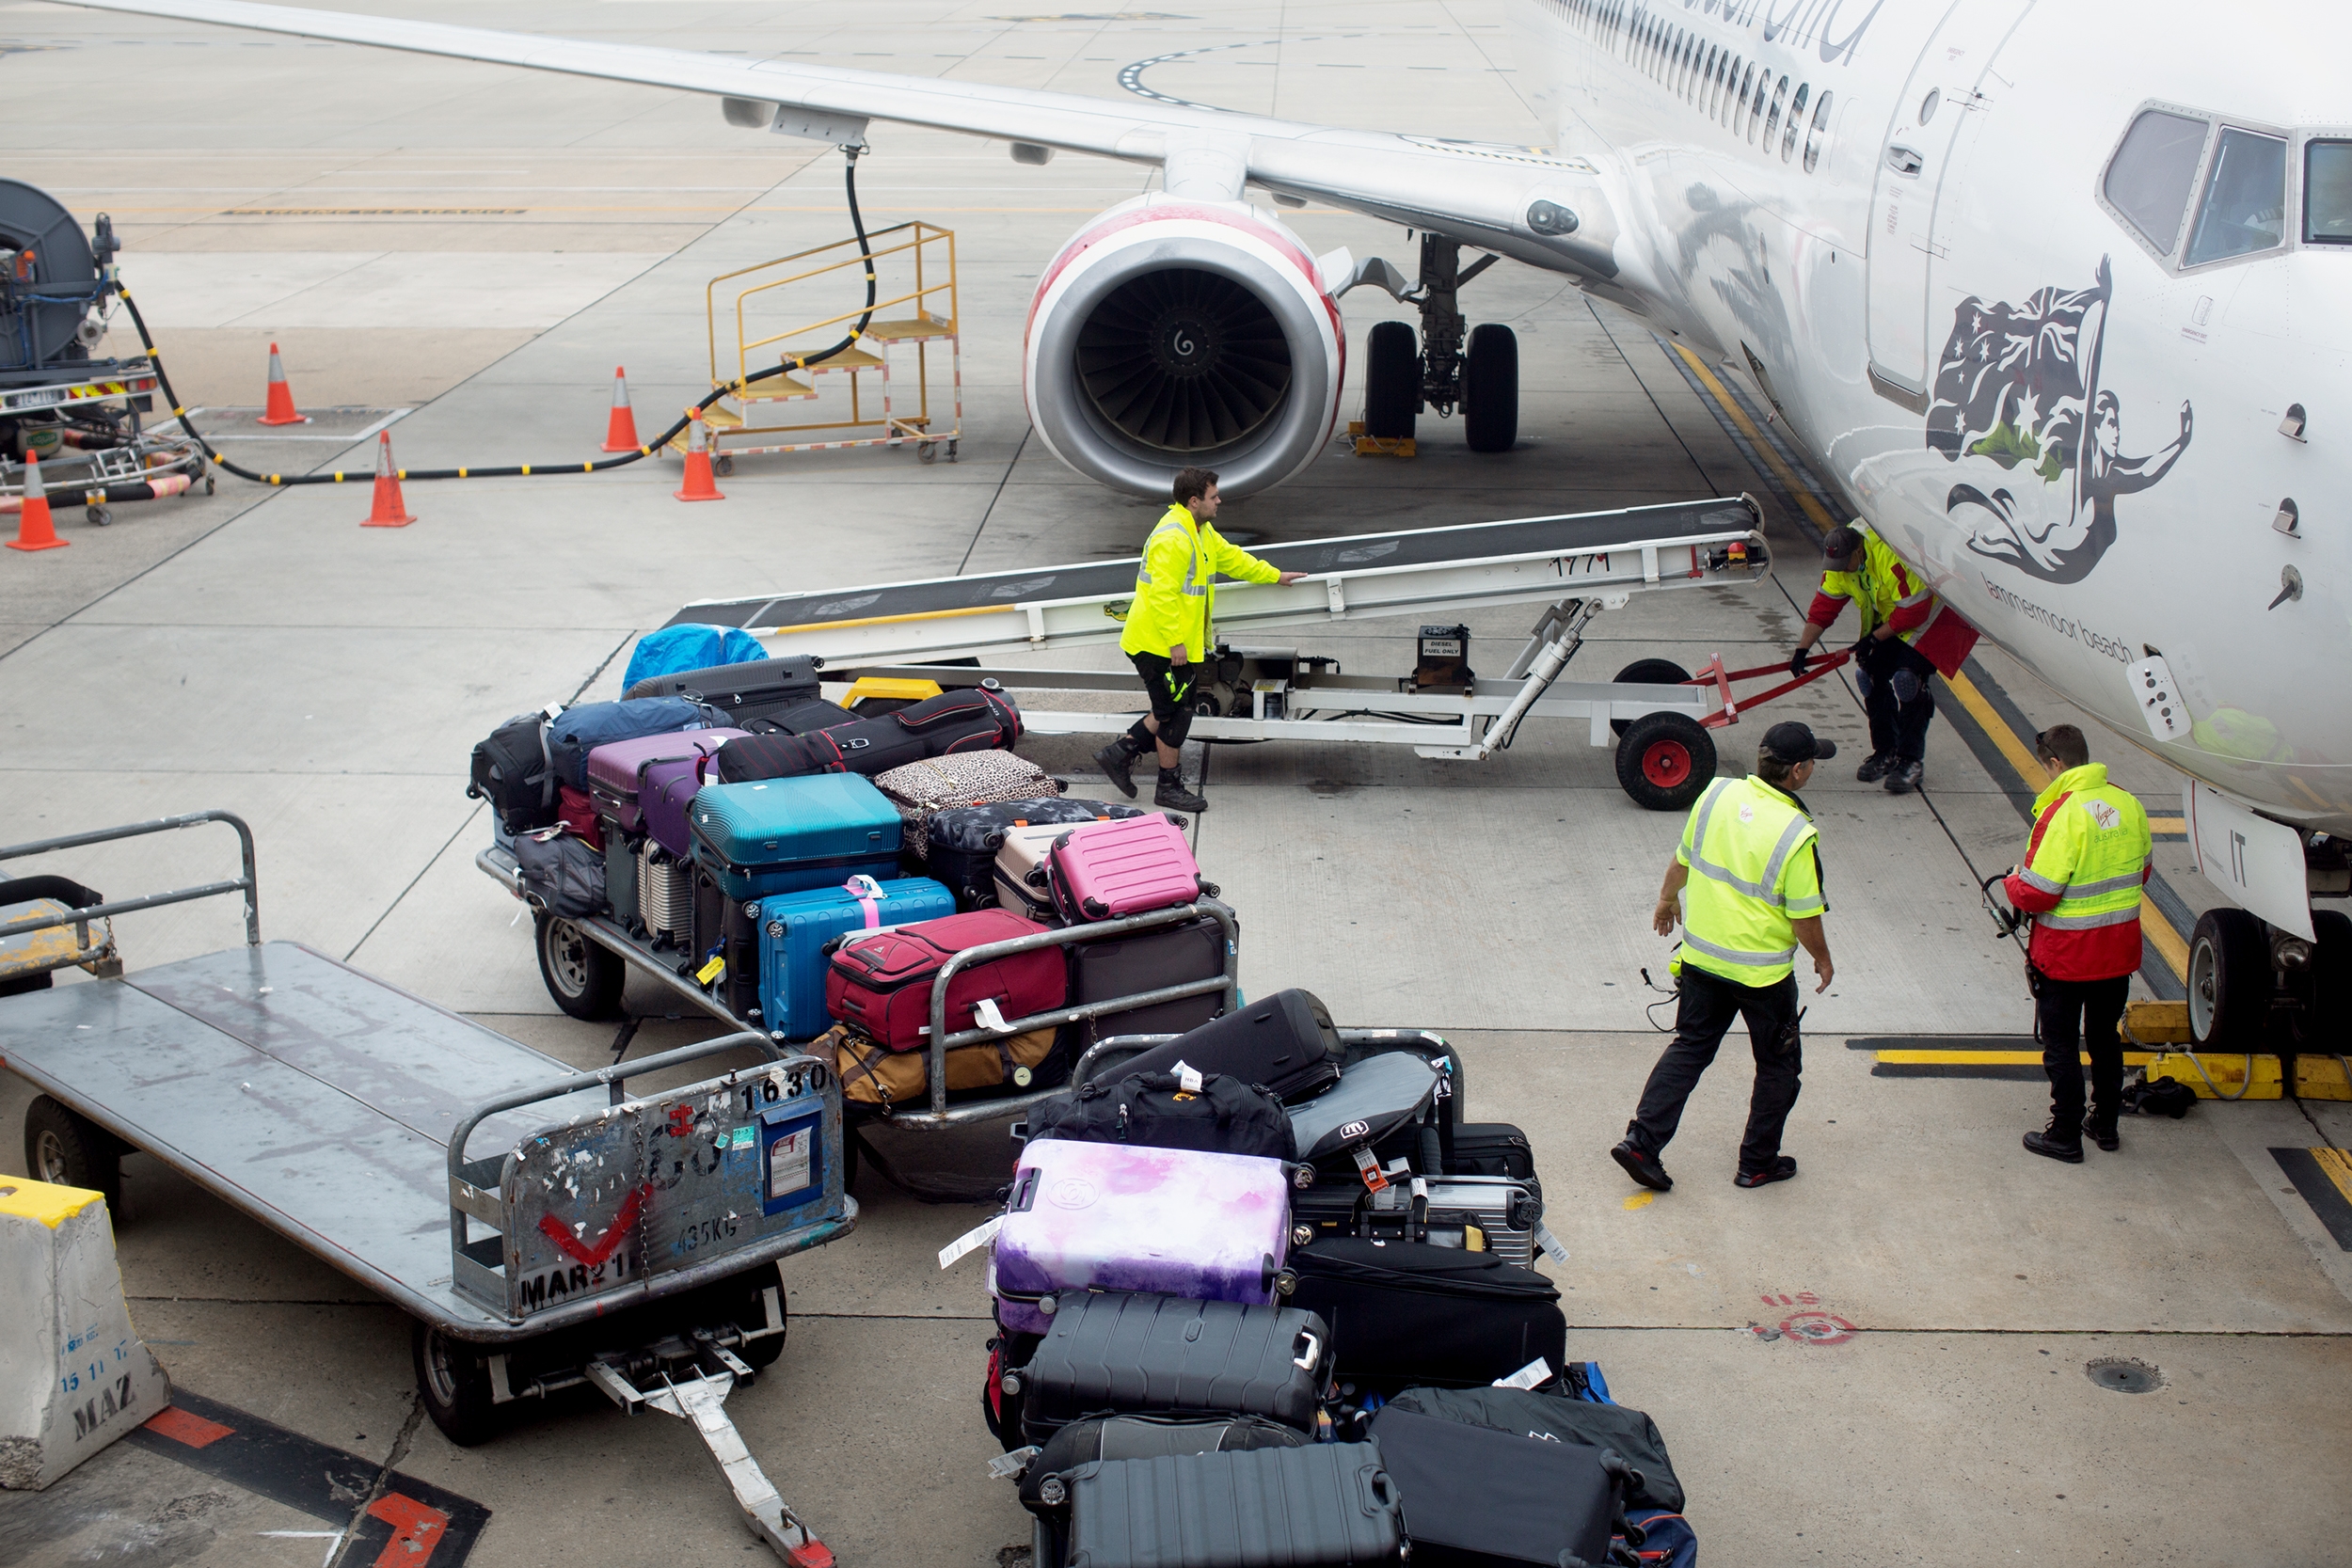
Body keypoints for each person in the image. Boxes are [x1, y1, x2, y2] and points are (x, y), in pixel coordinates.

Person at [1611, 721, 1837, 1194]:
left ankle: (1641, 1142)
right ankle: (1756, 1162)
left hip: (1702, 960)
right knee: (1778, 1066)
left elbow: (1682, 859)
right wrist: (1822, 959)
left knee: (1690, 1048)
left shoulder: (1715, 796)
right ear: (1797, 771)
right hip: (1762, 977)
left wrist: (1666, 900)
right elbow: (1804, 917)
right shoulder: (1797, 833)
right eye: (1812, 762)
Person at [1096, 467, 1306, 813]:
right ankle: (1167, 785)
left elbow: (1233, 559)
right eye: (1213, 496)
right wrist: (1176, 643)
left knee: (1172, 707)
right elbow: (1162, 596)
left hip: (1172, 643)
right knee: (1176, 714)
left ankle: (1120, 753)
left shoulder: (1200, 530)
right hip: (1158, 644)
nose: (1219, 501)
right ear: (1194, 501)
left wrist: (1274, 575)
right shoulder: (1174, 538)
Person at [2002, 724, 2152, 1162]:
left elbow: (2038, 892)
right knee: (2105, 1039)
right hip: (2118, 952)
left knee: (2062, 1045)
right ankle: (2105, 1125)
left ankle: (2064, 1133)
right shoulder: (2128, 802)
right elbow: (2141, 871)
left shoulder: (2062, 814)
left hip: (2066, 957)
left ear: (2055, 763)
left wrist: (2013, 882)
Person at [1788, 523, 1975, 795]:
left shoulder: (1889, 557)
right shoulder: (1840, 566)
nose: (1840, 570)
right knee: (1869, 675)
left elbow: (1915, 612)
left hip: (1932, 617)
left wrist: (1874, 638)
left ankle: (1910, 760)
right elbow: (1823, 608)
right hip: (1895, 615)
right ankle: (1885, 751)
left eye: (1844, 563)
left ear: (1859, 552)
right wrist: (1802, 650)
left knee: (1908, 680)